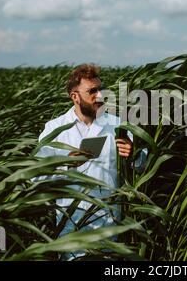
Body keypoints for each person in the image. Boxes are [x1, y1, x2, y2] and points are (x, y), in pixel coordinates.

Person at [34, 63, 133, 260]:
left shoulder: (117, 124)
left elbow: (140, 166)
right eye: (92, 91)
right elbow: (36, 179)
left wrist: (134, 154)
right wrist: (65, 164)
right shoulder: (55, 129)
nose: (100, 96)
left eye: (101, 89)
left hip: (110, 227)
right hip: (72, 228)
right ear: (75, 96)